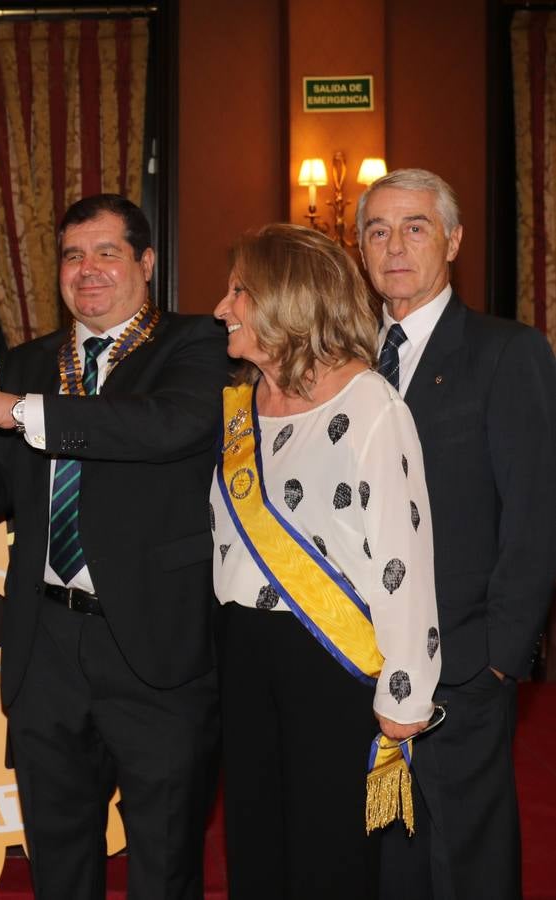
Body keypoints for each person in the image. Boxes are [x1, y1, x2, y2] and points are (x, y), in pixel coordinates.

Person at [0, 194, 228, 899]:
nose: (86, 270)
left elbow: (162, 427)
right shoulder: (29, 360)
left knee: (162, 860)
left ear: (146, 262)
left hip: (157, 646)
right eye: (72, 256)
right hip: (45, 648)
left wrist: (14, 411)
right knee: (58, 862)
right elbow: (1, 491)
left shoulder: (192, 345)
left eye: (106, 253)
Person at [209, 223, 441, 899]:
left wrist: (405, 691)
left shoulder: (370, 403)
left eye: (238, 292)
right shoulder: (236, 404)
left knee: (327, 856)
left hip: (329, 659)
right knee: (253, 844)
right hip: (241, 651)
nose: (221, 307)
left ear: (285, 298)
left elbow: (403, 553)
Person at [357, 169, 556, 900]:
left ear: (454, 240)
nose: (394, 245)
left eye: (414, 226)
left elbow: (534, 515)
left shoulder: (509, 352)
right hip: (359, 658)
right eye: (376, 230)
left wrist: (499, 660)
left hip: (465, 661)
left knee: (464, 858)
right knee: (387, 857)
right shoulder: (345, 364)